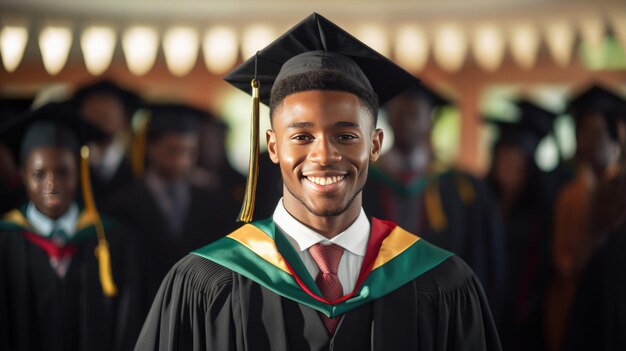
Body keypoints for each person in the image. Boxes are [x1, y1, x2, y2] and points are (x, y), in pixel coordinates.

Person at [135, 13, 501, 351]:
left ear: (374, 145)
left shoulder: (441, 281)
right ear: (273, 146)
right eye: (302, 136)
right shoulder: (205, 282)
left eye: (345, 136)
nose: (324, 155)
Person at [0, 102, 144, 351]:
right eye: (39, 174)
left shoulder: (112, 239)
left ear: (80, 172)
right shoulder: (5, 240)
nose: (51, 184)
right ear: (22, 175)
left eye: (63, 172)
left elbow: (129, 327)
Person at [363, 85, 506, 321]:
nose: (406, 122)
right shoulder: (366, 181)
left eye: (414, 114)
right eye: (399, 114)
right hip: (377, 310)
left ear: (429, 121)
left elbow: (479, 257)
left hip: (443, 310)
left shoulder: (459, 187)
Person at [108, 103, 235, 306]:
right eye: (173, 151)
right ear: (151, 148)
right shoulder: (123, 205)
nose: (183, 161)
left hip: (199, 307)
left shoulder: (213, 202)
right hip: (143, 308)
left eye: (190, 152)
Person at [545, 84, 623, 351]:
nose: (591, 140)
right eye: (584, 132)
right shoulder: (569, 195)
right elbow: (562, 259)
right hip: (576, 296)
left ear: (615, 138)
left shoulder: (622, 187)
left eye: (599, 132)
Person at [486, 100, 557, 351]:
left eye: (516, 164)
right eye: (503, 161)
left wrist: (528, 306)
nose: (508, 169)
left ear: (528, 169)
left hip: (524, 316)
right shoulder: (482, 204)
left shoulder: (538, 212)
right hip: (485, 307)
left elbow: (544, 266)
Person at [72, 79, 141, 208]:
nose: (102, 114)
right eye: (93, 108)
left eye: (110, 107)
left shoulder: (140, 165)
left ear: (125, 117)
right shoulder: (72, 163)